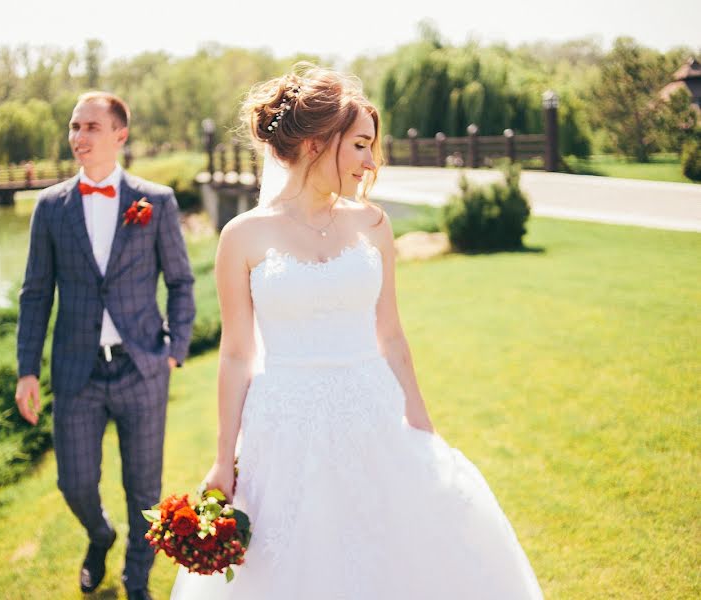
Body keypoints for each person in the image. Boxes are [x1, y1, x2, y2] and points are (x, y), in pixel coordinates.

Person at [169, 65, 543, 599]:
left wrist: (421, 422)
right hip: (284, 424)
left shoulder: (372, 224)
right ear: (318, 143)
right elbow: (235, 354)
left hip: (373, 411)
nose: (372, 162)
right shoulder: (242, 236)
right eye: (362, 145)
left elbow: (390, 334)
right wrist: (223, 456)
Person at [15, 91, 195, 600]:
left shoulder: (154, 202)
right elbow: (35, 294)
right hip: (77, 372)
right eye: (74, 127)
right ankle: (100, 535)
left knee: (144, 490)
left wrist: (175, 347)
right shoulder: (50, 207)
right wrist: (27, 369)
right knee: (74, 483)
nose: (79, 137)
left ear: (120, 134)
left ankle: (136, 580)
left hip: (142, 367)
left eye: (91, 127)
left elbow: (181, 281)